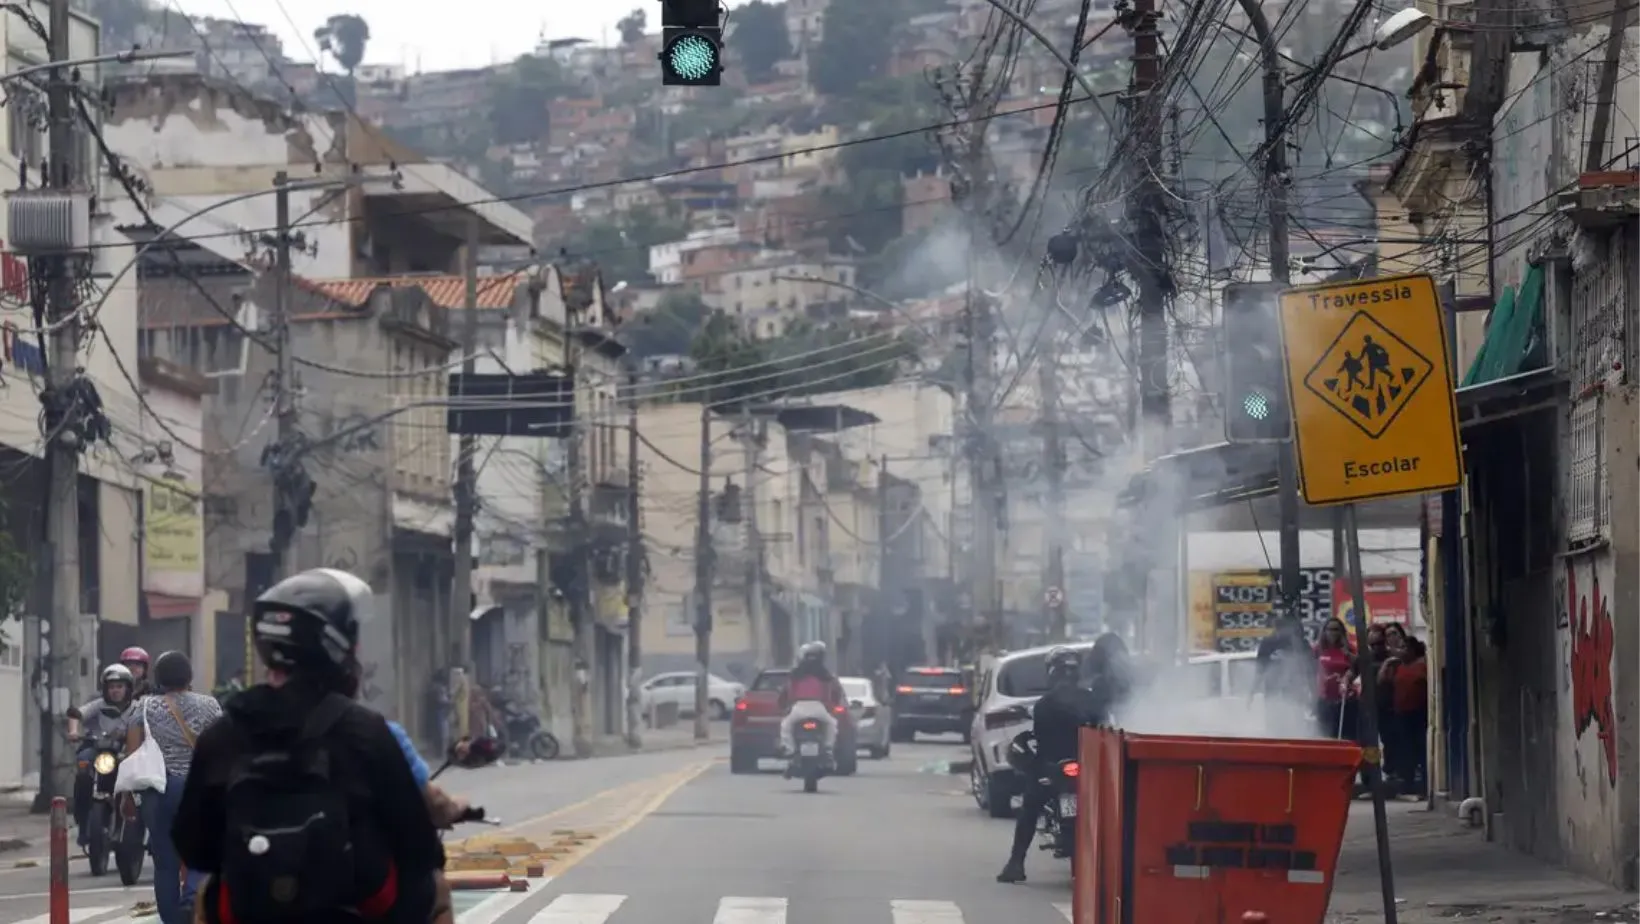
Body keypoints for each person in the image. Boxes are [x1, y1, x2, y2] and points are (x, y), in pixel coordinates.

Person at [172, 568, 446, 924]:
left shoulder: (222, 736)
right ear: (336, 646)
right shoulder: (365, 731)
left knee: (209, 895)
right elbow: (419, 845)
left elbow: (194, 846)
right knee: (435, 890)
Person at [997, 646, 1108, 884]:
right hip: (1086, 768)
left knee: (1030, 809)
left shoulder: (1045, 704)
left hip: (1054, 769)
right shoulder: (1090, 699)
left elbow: (1042, 740)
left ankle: (1016, 863)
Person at [125, 651, 221, 924]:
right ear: (188, 677)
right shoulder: (210, 706)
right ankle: (192, 898)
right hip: (197, 790)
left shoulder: (142, 707)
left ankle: (172, 920)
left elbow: (132, 755)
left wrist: (127, 798)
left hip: (157, 791)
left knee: (165, 863)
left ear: (158, 677)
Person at [69, 664, 137, 846]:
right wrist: (74, 732)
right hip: (97, 749)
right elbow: (77, 714)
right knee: (83, 766)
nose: (115, 691)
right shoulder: (98, 705)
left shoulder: (137, 708)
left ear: (128, 688)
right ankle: (83, 823)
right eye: (111, 687)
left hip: (124, 752)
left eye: (119, 686)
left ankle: (134, 824)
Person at [777, 641, 844, 769]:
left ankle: (791, 750)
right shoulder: (825, 675)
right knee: (832, 725)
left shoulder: (795, 675)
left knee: (785, 726)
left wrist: (783, 707)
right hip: (819, 707)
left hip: (799, 707)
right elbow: (836, 693)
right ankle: (828, 750)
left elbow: (785, 693)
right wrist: (833, 706)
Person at [1385, 635, 1428, 796]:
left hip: (1418, 714)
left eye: (1404, 648)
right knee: (1405, 751)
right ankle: (1407, 784)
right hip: (1401, 714)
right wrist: (1388, 663)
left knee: (1420, 750)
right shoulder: (1399, 666)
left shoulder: (1422, 665)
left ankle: (1423, 785)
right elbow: (1384, 681)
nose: (1400, 651)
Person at [1313, 618, 1356, 740]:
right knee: (1325, 735)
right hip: (1324, 699)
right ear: (1324, 631)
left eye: (1336, 629)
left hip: (1346, 699)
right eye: (1329, 629)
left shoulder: (1350, 649)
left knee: (1345, 736)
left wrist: (1347, 675)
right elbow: (1309, 667)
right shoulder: (1318, 649)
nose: (1333, 632)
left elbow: (1357, 667)